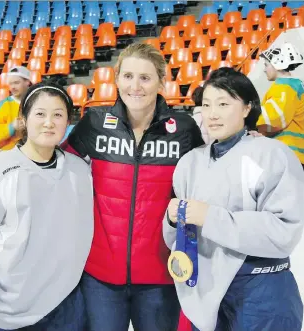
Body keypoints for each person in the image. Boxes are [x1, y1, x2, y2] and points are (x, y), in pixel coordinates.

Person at [61, 43, 204, 331]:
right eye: (127, 76)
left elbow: (212, 172)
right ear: (116, 79)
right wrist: (15, 156)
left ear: (161, 82)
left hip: (160, 278)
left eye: (145, 78)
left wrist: (248, 139)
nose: (135, 86)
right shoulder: (95, 123)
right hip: (100, 278)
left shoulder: (184, 129)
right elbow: (56, 164)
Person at [164, 67, 304, 331]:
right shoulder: (189, 162)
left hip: (261, 289)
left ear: (247, 107)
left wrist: (210, 217)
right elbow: (177, 240)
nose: (212, 114)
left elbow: (284, 232)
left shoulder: (274, 155)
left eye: (223, 104)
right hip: (204, 289)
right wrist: (172, 221)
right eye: (206, 105)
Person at [0, 82, 94, 331]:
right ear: (24, 118)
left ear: (68, 121)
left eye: (58, 115)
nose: (49, 122)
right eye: (40, 113)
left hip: (66, 308)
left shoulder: (80, 171)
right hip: (5, 315)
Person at [257, 42, 304, 169]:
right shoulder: (294, 85)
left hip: (288, 153)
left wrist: (252, 120)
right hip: (294, 154)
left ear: (277, 64)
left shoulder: (284, 87)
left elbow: (276, 118)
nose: (264, 69)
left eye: (266, 65)